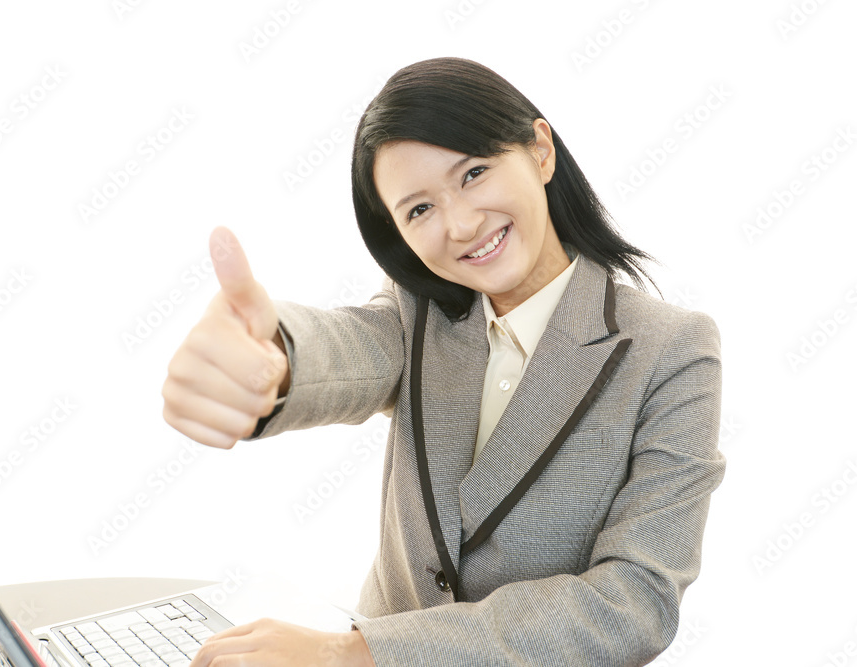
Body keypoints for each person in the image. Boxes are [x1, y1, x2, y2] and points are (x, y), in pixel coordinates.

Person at [165, 57, 726, 667]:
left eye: (474, 173)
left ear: (540, 152)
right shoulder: (417, 311)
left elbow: (633, 602)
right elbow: (348, 349)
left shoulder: (672, 349)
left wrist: (353, 654)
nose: (460, 225)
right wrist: (272, 360)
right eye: (419, 210)